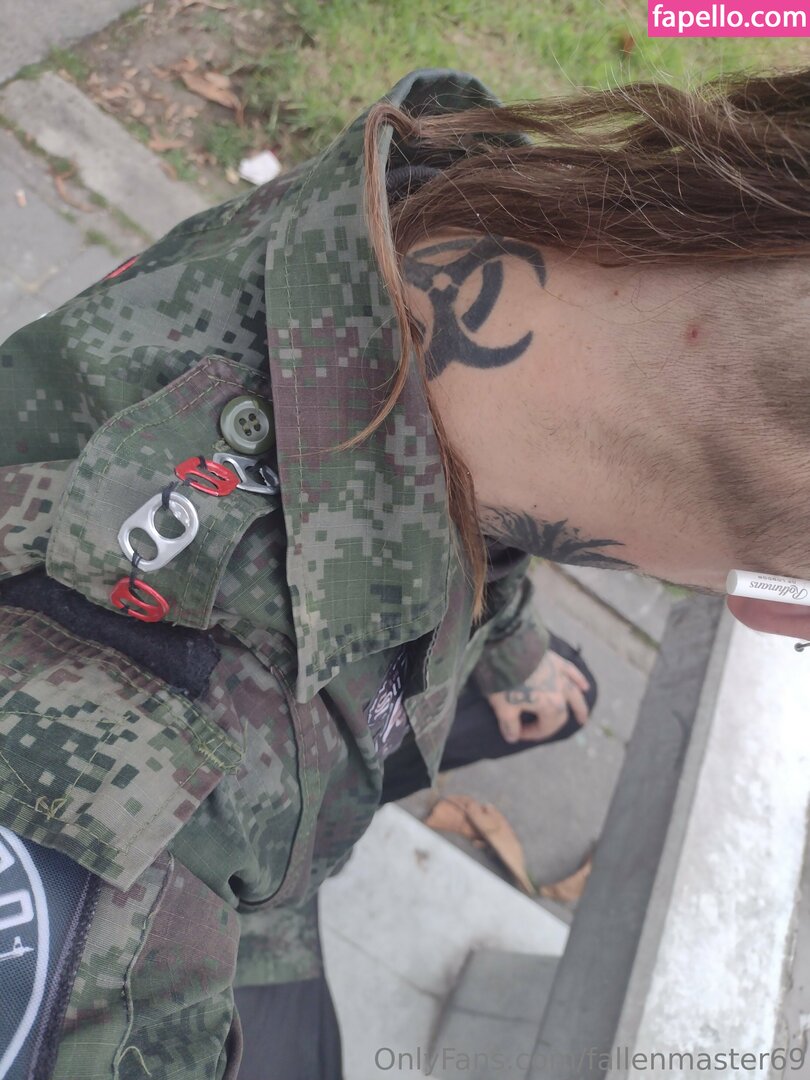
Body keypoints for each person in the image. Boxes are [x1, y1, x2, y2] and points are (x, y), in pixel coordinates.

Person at [0, 60, 807, 1079]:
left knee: (566, 695)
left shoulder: (462, 181)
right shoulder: (117, 810)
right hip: (232, 851)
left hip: (292, 790)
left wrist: (509, 650)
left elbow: (487, 527)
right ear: (782, 613)